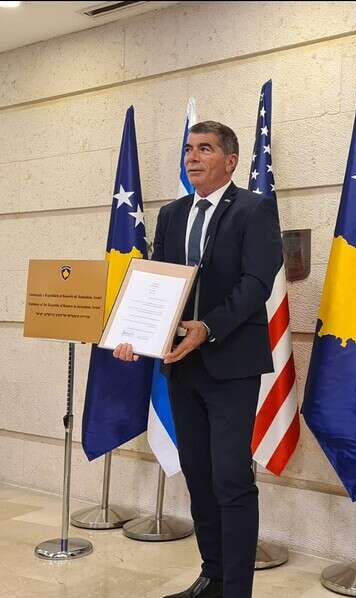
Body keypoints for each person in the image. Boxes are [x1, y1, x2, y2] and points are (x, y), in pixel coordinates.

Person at [113, 121, 282, 598]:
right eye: (189, 148)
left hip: (231, 365)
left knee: (231, 477)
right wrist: (135, 335)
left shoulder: (254, 209)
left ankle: (237, 590)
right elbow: (158, 281)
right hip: (180, 366)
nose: (193, 156)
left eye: (205, 148)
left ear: (230, 161)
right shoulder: (171, 214)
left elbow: (257, 283)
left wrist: (207, 327)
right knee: (200, 477)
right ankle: (212, 577)